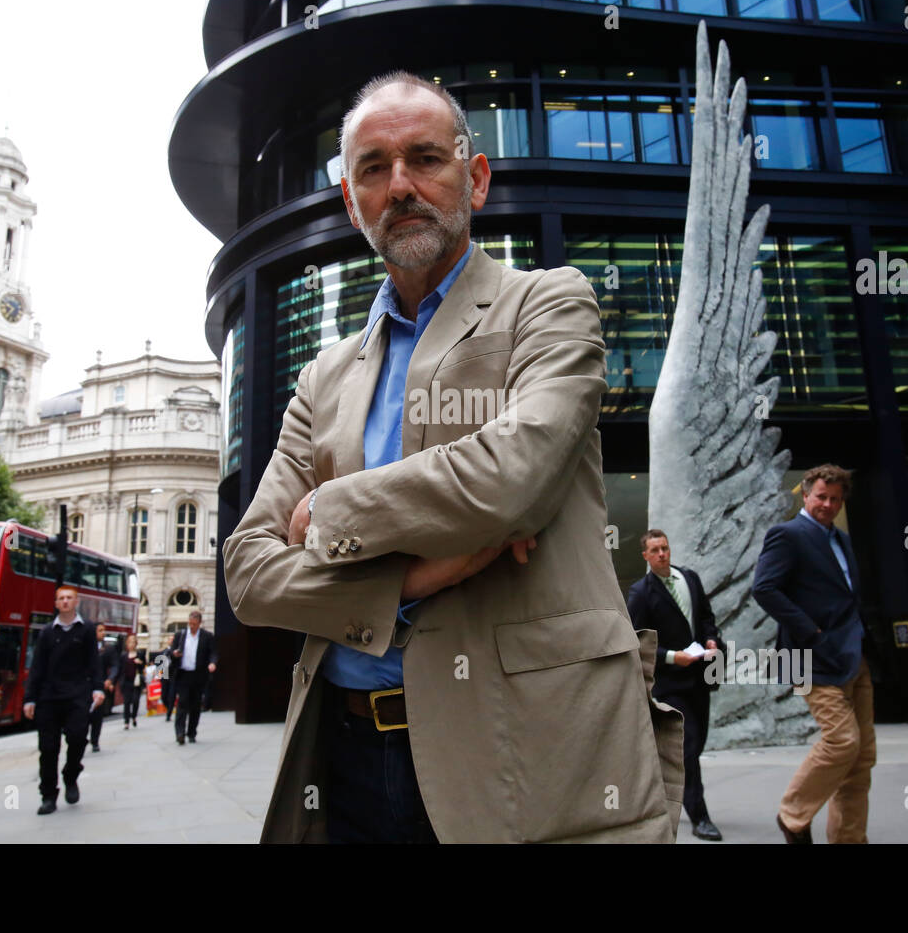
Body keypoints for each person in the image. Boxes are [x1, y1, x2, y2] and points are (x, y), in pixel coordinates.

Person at [222, 71, 670, 843]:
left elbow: (512, 479)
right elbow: (250, 574)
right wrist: (416, 575)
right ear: (350, 201)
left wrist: (329, 509)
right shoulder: (324, 375)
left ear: (477, 176)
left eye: (425, 157)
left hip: (525, 753)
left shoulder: (549, 303)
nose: (401, 185)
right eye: (373, 167)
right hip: (347, 756)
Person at [752, 464, 874, 844]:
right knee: (842, 742)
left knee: (861, 759)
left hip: (853, 656)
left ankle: (849, 839)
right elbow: (765, 589)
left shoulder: (842, 540)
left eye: (835, 499)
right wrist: (813, 633)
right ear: (805, 495)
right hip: (809, 657)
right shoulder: (787, 535)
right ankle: (792, 815)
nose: (828, 504)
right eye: (821, 496)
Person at [627, 530, 724, 842]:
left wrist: (711, 638)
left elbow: (707, 618)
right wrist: (670, 657)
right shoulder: (641, 593)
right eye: (654, 550)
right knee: (689, 746)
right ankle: (700, 816)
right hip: (670, 682)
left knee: (697, 743)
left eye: (665, 548)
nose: (662, 554)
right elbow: (636, 640)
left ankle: (652, 789)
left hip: (700, 677)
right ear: (645, 555)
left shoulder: (690, 578)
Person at [23, 586, 104, 815]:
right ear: (56, 603)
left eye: (69, 598)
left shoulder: (87, 630)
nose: (65, 602)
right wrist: (30, 699)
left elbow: (93, 662)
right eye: (61, 598)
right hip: (49, 696)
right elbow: (37, 667)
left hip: (77, 694)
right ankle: (48, 795)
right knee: (48, 749)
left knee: (78, 739)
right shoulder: (47, 632)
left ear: (76, 601)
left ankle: (70, 775)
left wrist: (97, 687)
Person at [170, 612, 217, 745]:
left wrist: (212, 663)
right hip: (183, 674)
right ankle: (180, 733)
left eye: (194, 624)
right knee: (182, 704)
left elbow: (213, 652)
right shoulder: (181, 635)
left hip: (198, 676)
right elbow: (171, 651)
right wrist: (175, 654)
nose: (191, 626)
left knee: (195, 706)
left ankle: (191, 733)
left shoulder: (207, 636)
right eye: (190, 623)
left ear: (199, 623)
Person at [88, 623, 120, 751]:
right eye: (100, 630)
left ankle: (95, 740)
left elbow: (114, 665)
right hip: (84, 685)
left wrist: (110, 679)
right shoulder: (85, 647)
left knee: (97, 715)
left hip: (100, 685)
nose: (103, 633)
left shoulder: (108, 649)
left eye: (104, 630)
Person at [119, 634, 146, 729]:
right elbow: (120, 669)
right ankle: (126, 721)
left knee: (135, 700)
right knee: (126, 702)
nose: (131, 644)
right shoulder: (123, 655)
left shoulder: (140, 654)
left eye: (133, 642)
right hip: (126, 681)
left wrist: (140, 663)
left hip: (136, 681)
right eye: (130, 642)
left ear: (136, 643)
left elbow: (144, 667)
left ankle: (134, 716)